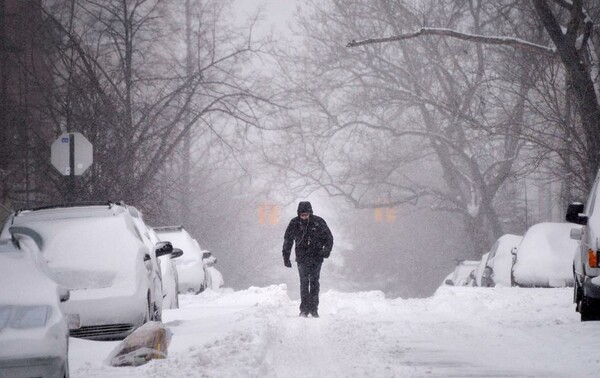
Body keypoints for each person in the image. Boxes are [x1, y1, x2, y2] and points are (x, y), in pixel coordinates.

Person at [282, 201, 333, 318]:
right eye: (302, 215)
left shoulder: (318, 222)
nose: (304, 217)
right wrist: (286, 257)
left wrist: (326, 251)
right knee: (304, 283)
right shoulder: (294, 223)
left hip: (317, 257)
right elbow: (288, 241)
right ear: (299, 214)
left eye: (306, 215)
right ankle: (304, 309)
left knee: (314, 282)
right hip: (302, 258)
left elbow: (329, 238)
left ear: (310, 213)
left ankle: (314, 309)